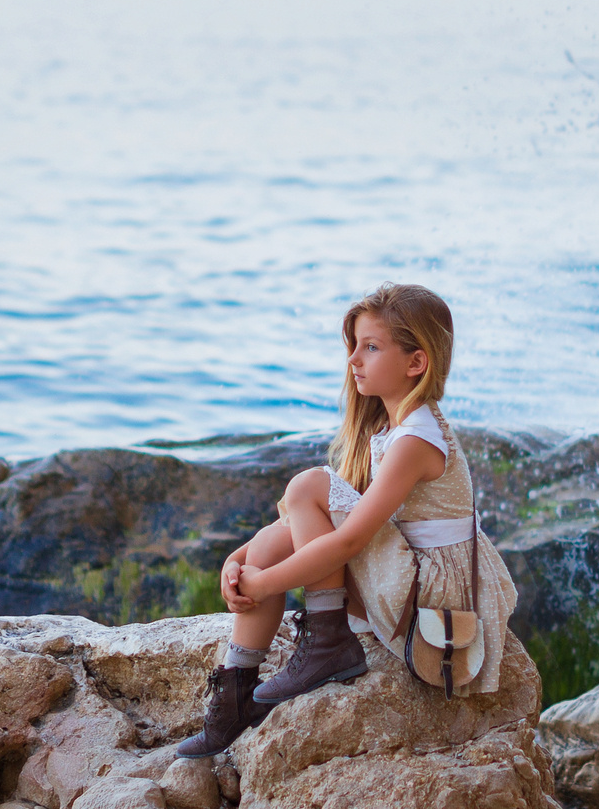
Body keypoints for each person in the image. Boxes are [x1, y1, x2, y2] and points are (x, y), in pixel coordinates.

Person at [172, 282, 518, 758]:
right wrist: (244, 558)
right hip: (407, 580)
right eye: (353, 346)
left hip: (430, 597)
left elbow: (350, 540)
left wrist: (265, 584)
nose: (353, 359)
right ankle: (234, 697)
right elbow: (309, 526)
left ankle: (328, 643)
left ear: (416, 362)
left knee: (309, 485)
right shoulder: (390, 428)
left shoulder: (417, 439)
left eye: (371, 347)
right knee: (274, 541)